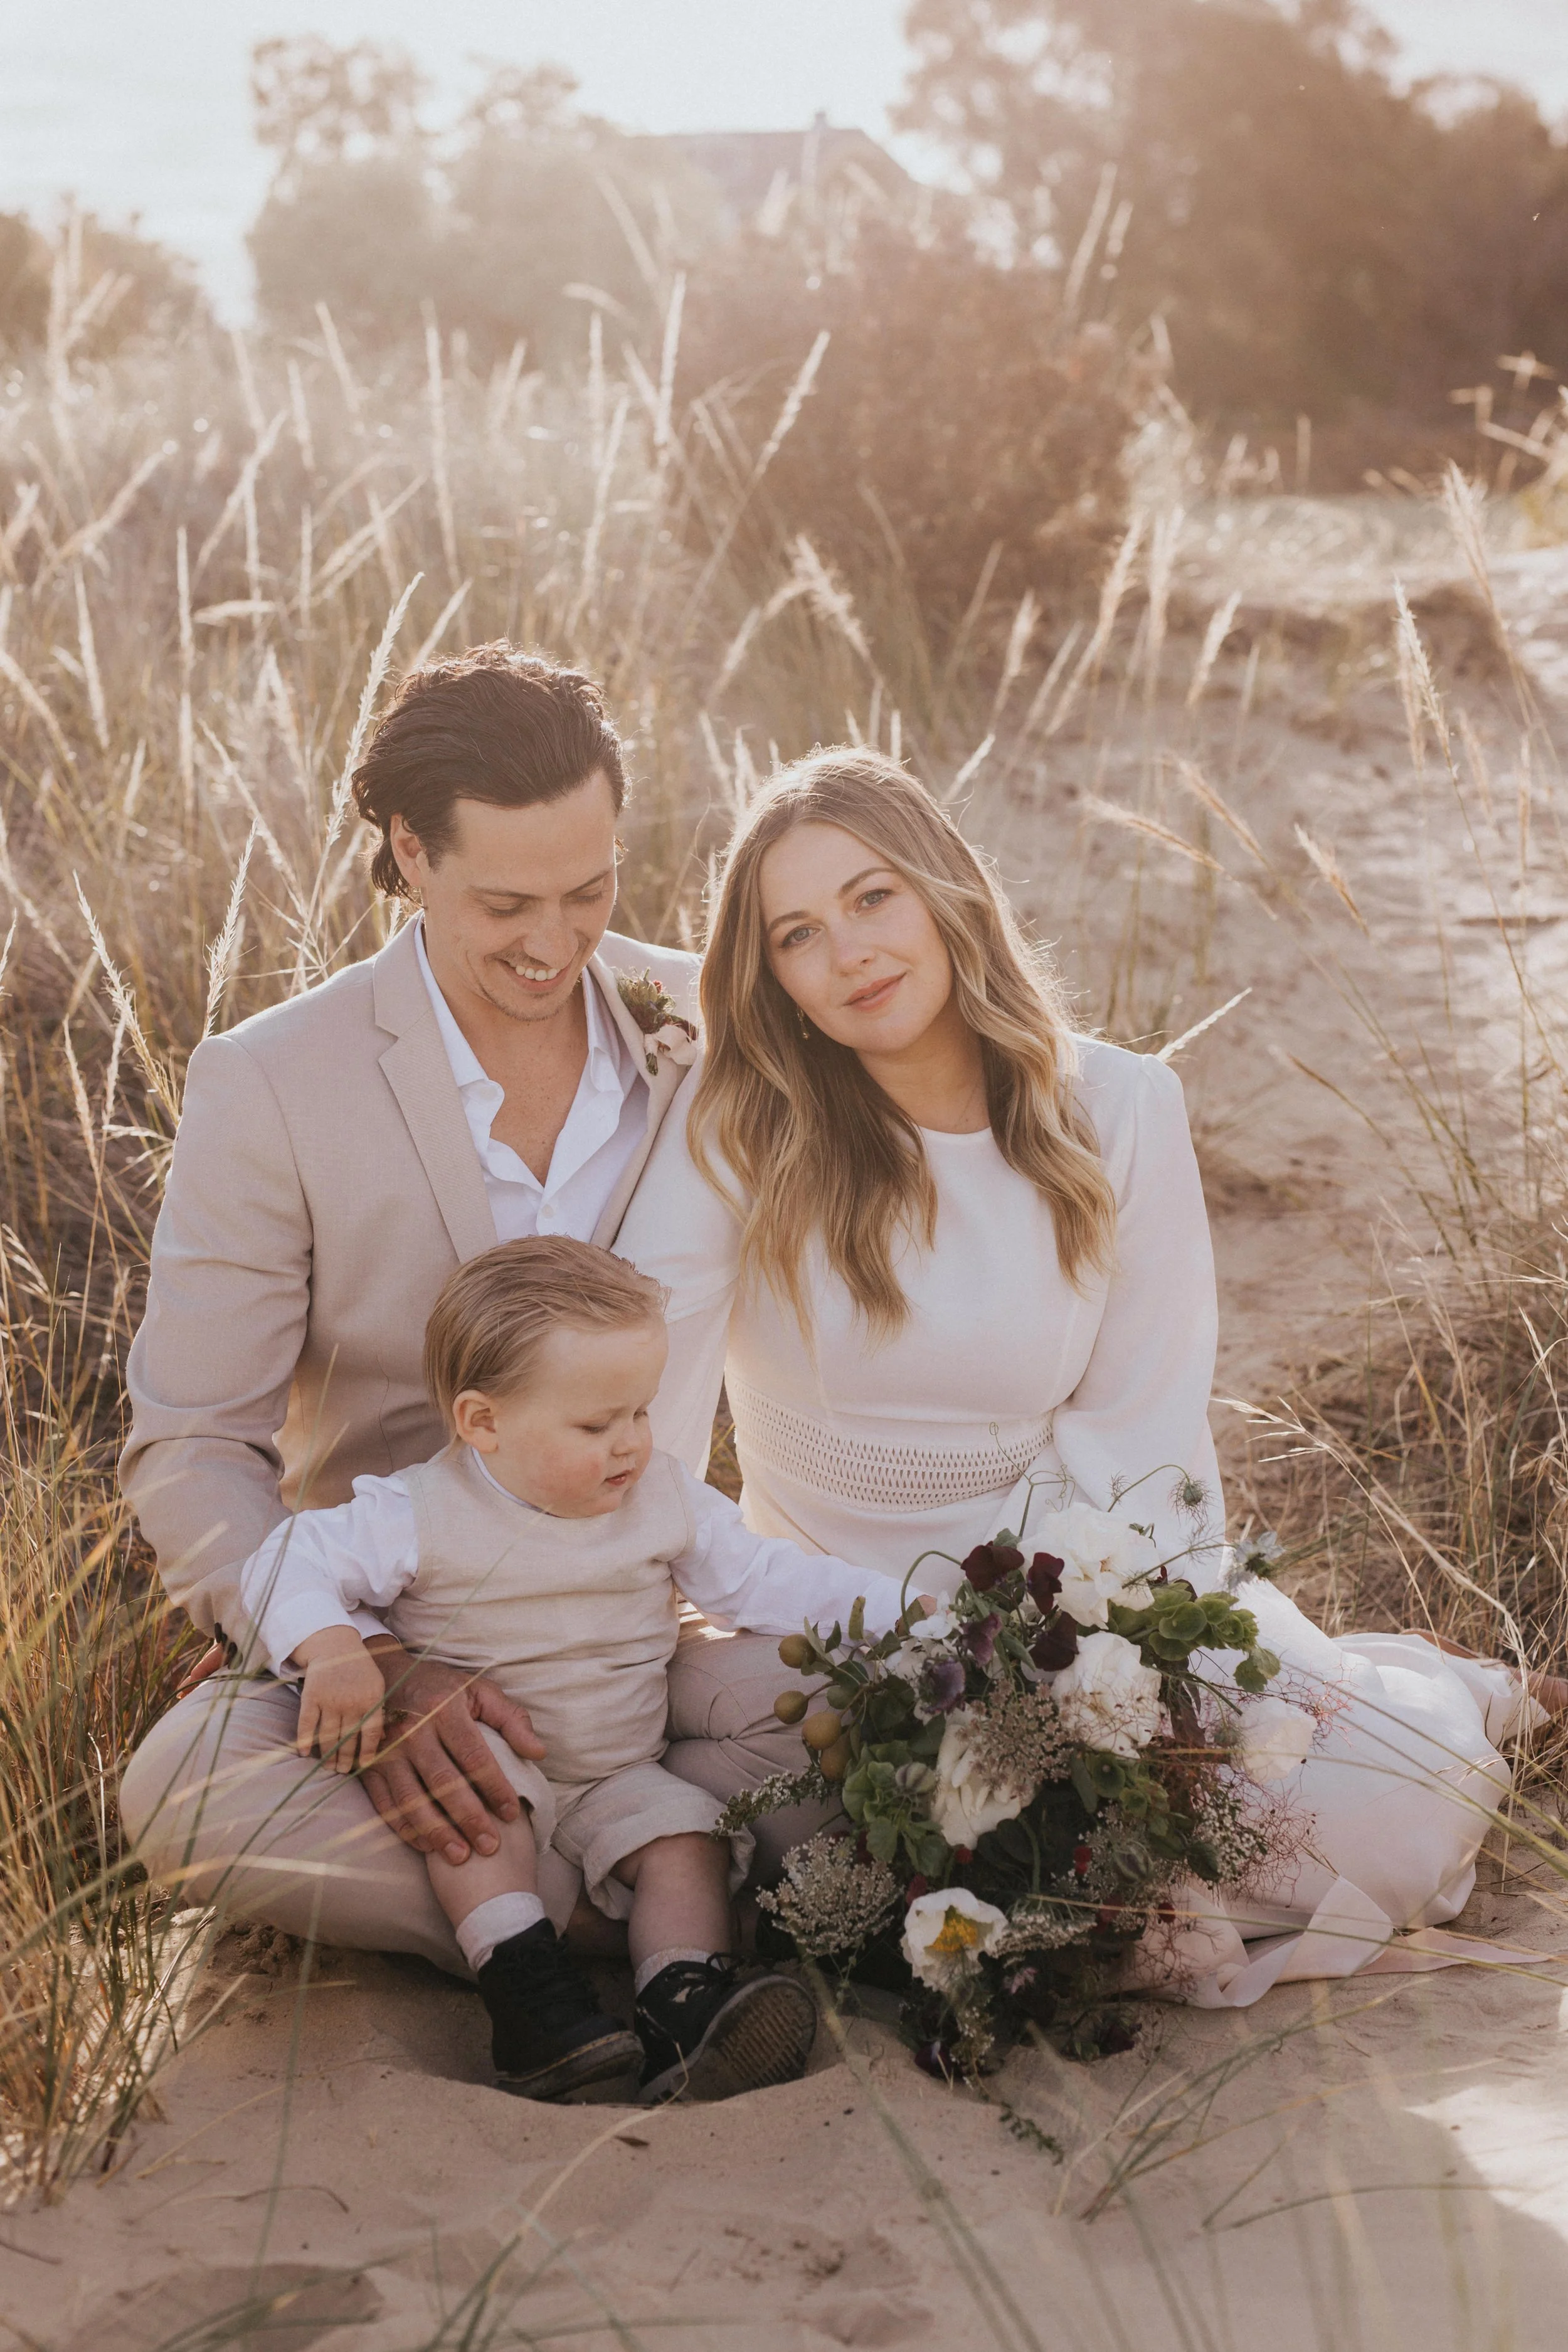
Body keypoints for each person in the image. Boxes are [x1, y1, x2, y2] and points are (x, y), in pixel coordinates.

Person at [617, 747, 1562, 2008]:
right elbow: (645, 1397)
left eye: (872, 898)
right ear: (766, 973)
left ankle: (1431, 1698)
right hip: (832, 1626)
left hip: (1069, 1597)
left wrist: (1106, 1680)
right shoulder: (742, 1120)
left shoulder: (1114, 1105)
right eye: (794, 934)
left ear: (946, 890)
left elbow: (1147, 1438)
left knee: (1377, 1816)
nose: (846, 952)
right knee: (816, 1852)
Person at [117, 646, 812, 1968]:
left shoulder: (711, 1026)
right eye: (505, 903)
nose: (553, 946)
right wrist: (373, 1667)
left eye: (590, 891)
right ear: (407, 854)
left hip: (644, 1623)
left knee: (871, 1711)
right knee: (184, 1798)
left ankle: (560, 1900)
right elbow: (193, 1442)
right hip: (397, 1620)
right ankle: (643, 1913)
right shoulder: (271, 1081)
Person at [233, 1236, 914, 2102]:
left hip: (619, 1769)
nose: (631, 1443)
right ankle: (531, 2005)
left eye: (641, 1411)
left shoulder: (661, 1497)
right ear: (483, 1422)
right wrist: (332, 1645)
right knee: (479, 1820)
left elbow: (768, 1579)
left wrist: (909, 1613)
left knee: (686, 1840)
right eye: (597, 1425)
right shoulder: (419, 1511)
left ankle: (683, 2004)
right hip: (497, 1757)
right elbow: (286, 1556)